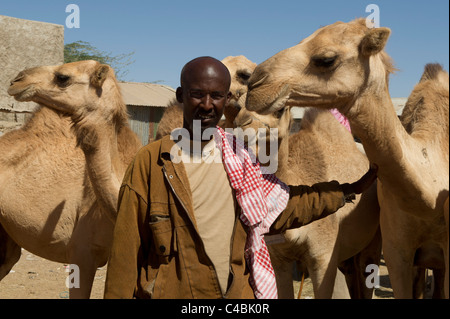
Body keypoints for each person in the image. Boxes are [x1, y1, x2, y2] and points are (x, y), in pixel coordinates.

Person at [103, 56, 377, 299]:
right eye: (197, 94)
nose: (207, 105)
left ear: (226, 100)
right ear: (181, 95)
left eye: (217, 96)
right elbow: (126, 252)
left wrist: (345, 191)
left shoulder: (240, 158)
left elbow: (279, 208)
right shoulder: (151, 163)